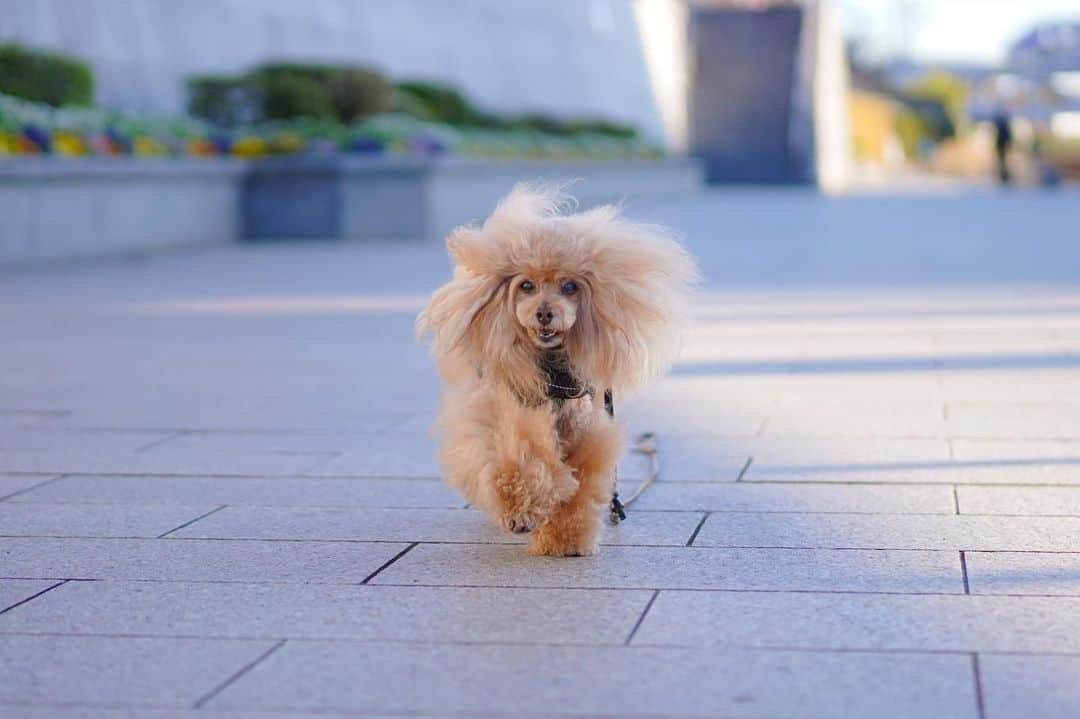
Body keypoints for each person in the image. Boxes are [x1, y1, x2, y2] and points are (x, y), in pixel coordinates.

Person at [993, 111, 1013, 184]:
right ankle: (1003, 175)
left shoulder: (1003, 128)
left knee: (1003, 161)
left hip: (1002, 146)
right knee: (1002, 161)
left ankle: (1004, 175)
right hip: (1001, 147)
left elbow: (1007, 137)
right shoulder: (1003, 127)